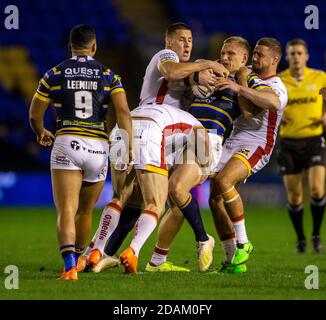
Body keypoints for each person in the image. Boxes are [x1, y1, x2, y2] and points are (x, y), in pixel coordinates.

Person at [84, 22, 227, 272]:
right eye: (181, 39)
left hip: (128, 127)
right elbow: (172, 72)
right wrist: (206, 63)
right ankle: (154, 249)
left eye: (190, 39)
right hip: (152, 128)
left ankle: (98, 251)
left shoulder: (185, 74)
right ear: (168, 41)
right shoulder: (166, 56)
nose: (187, 44)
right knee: (158, 202)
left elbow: (184, 80)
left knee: (125, 199)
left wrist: (200, 78)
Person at [146, 36, 271, 273]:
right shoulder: (209, 72)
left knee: (177, 189)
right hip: (182, 134)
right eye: (223, 53)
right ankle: (157, 262)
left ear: (244, 58)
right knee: (174, 204)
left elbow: (255, 107)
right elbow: (178, 83)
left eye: (231, 54)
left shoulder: (246, 79)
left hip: (208, 138)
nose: (224, 58)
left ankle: (204, 239)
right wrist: (200, 74)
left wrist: (240, 81)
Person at [29, 24, 133, 280]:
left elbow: (34, 114)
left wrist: (41, 130)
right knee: (85, 211)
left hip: (67, 142)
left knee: (66, 210)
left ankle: (69, 267)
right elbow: (122, 113)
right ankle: (78, 258)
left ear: (70, 46)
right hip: (98, 147)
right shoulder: (109, 75)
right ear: (94, 47)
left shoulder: (54, 73)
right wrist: (127, 147)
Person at [209, 37, 288, 272]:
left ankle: (244, 242)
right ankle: (233, 259)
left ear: (274, 59)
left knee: (224, 181)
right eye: (253, 53)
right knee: (214, 197)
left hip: (257, 144)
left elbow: (271, 104)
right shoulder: (247, 71)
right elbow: (223, 66)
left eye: (260, 55)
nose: (255, 58)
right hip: (233, 139)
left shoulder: (277, 86)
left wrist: (239, 87)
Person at [277, 39, 326, 253]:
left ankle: (316, 235)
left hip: (315, 140)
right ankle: (301, 239)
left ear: (306, 56)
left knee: (317, 189)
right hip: (289, 143)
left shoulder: (320, 77)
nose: (296, 56)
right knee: (295, 197)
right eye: (292, 53)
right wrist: (277, 117)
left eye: (299, 53)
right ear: (287, 57)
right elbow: (268, 108)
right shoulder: (279, 81)